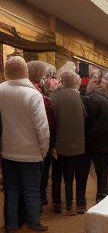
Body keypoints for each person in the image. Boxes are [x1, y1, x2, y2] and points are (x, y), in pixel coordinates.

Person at [0, 56, 49, 232]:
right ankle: (34, 222)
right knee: (32, 191)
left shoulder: (1, 90)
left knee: (11, 191)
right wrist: (44, 150)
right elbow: (42, 127)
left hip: (7, 151)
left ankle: (12, 225)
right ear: (25, 72)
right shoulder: (33, 95)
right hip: (31, 153)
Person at [79, 72, 108, 206]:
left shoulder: (88, 99)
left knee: (82, 173)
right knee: (102, 173)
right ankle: (102, 197)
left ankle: (81, 201)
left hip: (89, 143)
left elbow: (84, 122)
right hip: (104, 143)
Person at [50, 70, 86, 215]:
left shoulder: (54, 97)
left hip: (60, 144)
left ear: (62, 82)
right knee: (74, 175)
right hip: (77, 144)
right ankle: (74, 205)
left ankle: (59, 204)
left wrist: (52, 144)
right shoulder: (78, 97)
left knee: (58, 176)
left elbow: (52, 122)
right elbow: (84, 117)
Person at [26, 60, 57, 209]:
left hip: (19, 144)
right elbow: (47, 125)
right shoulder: (40, 96)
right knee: (40, 175)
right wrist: (49, 146)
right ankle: (38, 202)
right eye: (45, 76)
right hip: (37, 144)